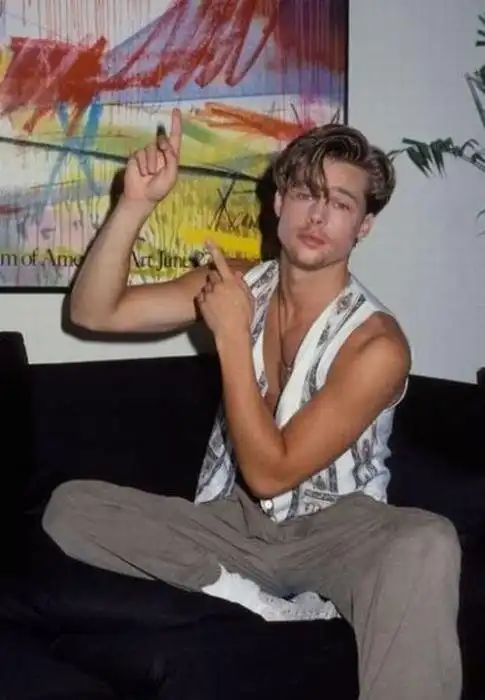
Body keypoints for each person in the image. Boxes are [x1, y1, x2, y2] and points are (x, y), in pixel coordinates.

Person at [42, 108, 461, 700]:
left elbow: (271, 472)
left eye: (341, 204)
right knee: (70, 507)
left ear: (363, 227)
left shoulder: (377, 346)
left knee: (427, 540)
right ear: (279, 202)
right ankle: (251, 598)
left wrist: (233, 336)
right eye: (306, 194)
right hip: (232, 524)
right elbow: (93, 312)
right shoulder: (237, 285)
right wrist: (135, 204)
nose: (317, 216)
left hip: (340, 531)